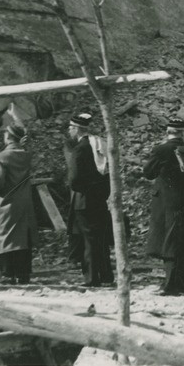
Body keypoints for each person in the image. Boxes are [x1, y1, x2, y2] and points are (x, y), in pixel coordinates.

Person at [144, 118, 184, 295]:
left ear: (168, 132)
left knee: (169, 242)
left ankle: (171, 286)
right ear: (183, 132)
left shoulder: (162, 149)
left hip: (168, 203)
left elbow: (148, 173)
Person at [67, 113, 113, 288]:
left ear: (77, 129)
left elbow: (74, 179)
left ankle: (92, 277)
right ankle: (106, 275)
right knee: (100, 238)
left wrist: (83, 190)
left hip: (84, 200)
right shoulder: (97, 145)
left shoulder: (79, 149)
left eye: (71, 128)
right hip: (99, 199)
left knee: (89, 240)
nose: (69, 131)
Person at [0, 124, 37, 285]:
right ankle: (23, 273)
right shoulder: (27, 155)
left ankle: (8, 273)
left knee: (5, 235)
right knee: (23, 236)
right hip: (24, 201)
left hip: (6, 201)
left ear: (8, 137)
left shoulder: (2, 156)